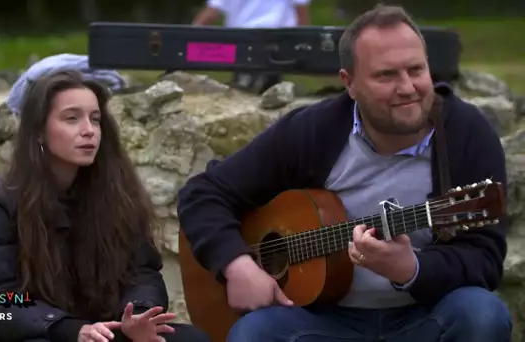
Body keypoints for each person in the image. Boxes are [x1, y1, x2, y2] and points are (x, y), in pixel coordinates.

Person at [177, 4, 511, 342]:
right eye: (386, 75)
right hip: (321, 322)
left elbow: (485, 259)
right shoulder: (313, 130)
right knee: (253, 333)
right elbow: (203, 193)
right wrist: (236, 264)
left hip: (425, 314)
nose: (407, 87)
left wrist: (412, 270)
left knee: (482, 314)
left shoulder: (467, 133)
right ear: (349, 83)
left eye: (416, 69)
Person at [0, 70, 211, 342]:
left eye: (95, 119)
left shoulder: (117, 193)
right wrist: (70, 329)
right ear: (38, 132)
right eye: (72, 118)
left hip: (105, 332)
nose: (88, 130)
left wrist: (137, 314)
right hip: (43, 335)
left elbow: (142, 273)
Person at [192, 0, 310, 94]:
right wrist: (303, 44)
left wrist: (188, 36)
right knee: (271, 88)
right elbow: (301, 12)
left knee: (245, 85)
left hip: (242, 41)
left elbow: (212, 13)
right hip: (276, 40)